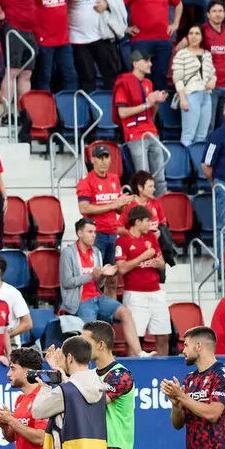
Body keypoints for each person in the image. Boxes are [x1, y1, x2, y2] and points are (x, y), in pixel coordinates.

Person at [61, 218, 142, 353]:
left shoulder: (96, 252)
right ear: (80, 233)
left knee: (125, 313)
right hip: (81, 300)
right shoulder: (68, 253)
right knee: (91, 333)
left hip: (97, 296)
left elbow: (98, 283)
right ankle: (90, 363)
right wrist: (91, 276)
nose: (94, 235)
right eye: (90, 232)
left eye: (95, 232)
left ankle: (140, 354)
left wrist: (103, 275)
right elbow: (67, 282)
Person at [116, 206, 171, 355]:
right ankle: (131, 374)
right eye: (147, 221)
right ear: (137, 221)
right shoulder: (122, 241)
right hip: (135, 294)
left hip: (156, 291)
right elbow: (122, 269)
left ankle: (162, 372)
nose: (150, 224)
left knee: (163, 335)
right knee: (134, 339)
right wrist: (143, 257)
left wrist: (160, 264)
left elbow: (160, 260)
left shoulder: (151, 237)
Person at [116, 51, 169, 191]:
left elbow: (150, 114)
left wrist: (156, 102)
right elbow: (122, 113)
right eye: (146, 61)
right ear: (135, 63)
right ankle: (144, 211)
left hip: (152, 132)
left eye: (150, 60)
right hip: (135, 134)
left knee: (160, 179)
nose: (150, 63)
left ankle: (159, 211)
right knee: (144, 180)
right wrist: (146, 104)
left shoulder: (148, 83)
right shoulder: (123, 82)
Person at [76, 145, 129, 265]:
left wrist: (123, 202)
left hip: (113, 233)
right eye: (100, 157)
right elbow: (84, 208)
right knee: (97, 273)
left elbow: (119, 211)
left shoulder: (114, 178)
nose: (104, 161)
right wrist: (112, 205)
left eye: (106, 157)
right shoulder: (86, 181)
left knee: (112, 276)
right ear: (93, 159)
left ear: (110, 159)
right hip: (96, 234)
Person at [175, 25, 219, 147]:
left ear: (202, 37)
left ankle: (197, 165)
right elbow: (178, 79)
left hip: (206, 95)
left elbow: (212, 73)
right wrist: (183, 98)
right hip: (190, 95)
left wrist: (213, 80)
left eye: (197, 34)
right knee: (188, 134)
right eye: (191, 33)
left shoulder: (207, 54)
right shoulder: (181, 54)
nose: (193, 36)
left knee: (202, 135)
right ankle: (186, 165)